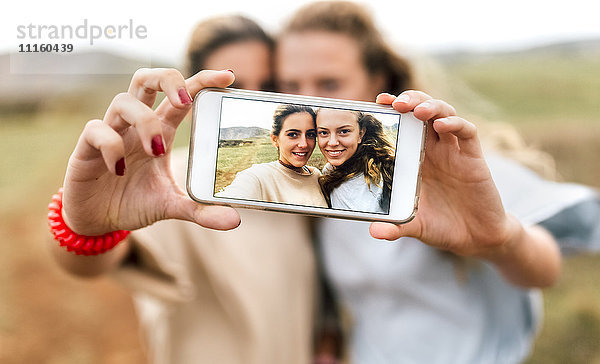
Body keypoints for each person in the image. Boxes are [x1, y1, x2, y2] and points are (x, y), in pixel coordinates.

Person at [275, 1, 600, 363]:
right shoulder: (316, 179)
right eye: (290, 84)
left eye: (329, 82)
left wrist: (499, 240)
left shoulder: (447, 166)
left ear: (378, 79)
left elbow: (544, 267)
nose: (306, 99)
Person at [50, 16, 318, 364]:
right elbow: (90, 265)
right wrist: (84, 227)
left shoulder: (296, 183)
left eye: (266, 85)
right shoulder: (169, 184)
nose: (251, 101)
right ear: (191, 98)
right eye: (231, 91)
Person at [219, 104, 327, 207]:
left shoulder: (316, 175)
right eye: (293, 134)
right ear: (275, 140)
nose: (304, 144)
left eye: (310, 135)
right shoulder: (258, 176)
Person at [316, 108, 395, 213]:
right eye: (323, 132)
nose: (332, 142)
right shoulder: (329, 170)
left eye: (344, 131)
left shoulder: (386, 172)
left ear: (361, 134)